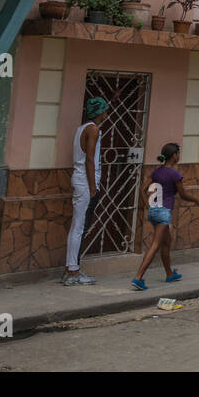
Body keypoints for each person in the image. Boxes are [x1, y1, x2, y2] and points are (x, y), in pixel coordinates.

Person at [132, 142, 199, 290]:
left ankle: (170, 274)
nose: (179, 156)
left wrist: (147, 206)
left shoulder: (157, 171)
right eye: (178, 153)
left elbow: (143, 189)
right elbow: (182, 194)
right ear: (175, 155)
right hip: (164, 213)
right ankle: (138, 277)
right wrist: (196, 200)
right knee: (156, 244)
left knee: (166, 242)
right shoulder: (175, 174)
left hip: (154, 211)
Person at [64, 97, 111, 286]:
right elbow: (90, 159)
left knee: (78, 226)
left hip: (81, 179)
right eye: (105, 110)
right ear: (99, 112)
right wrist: (93, 186)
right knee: (79, 227)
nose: (106, 114)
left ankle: (72, 267)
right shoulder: (93, 130)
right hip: (85, 181)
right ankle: (72, 271)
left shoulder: (81, 129)